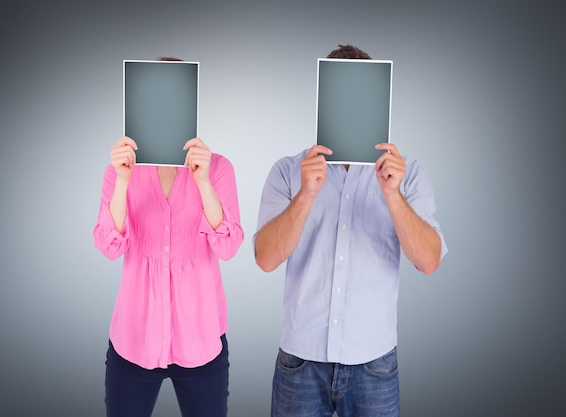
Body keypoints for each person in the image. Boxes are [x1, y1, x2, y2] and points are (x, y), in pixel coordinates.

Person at [254, 44, 448, 417]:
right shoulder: (286, 171)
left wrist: (392, 195)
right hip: (300, 362)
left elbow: (428, 262)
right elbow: (265, 258)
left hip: (374, 364)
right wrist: (307, 193)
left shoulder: (409, 175)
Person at [94, 58, 244, 417]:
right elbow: (109, 246)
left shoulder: (218, 167)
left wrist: (203, 181)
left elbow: (228, 245)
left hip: (200, 338)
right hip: (135, 339)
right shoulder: (119, 172)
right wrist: (124, 181)